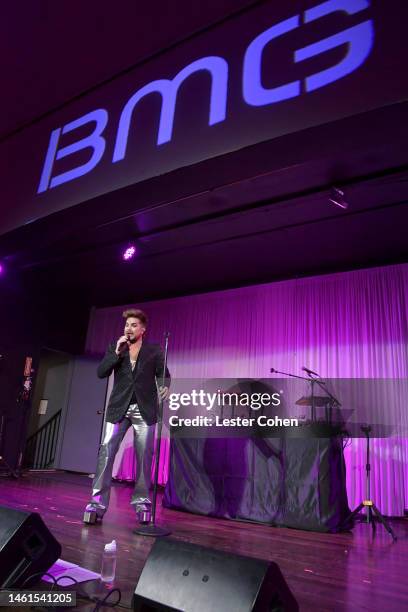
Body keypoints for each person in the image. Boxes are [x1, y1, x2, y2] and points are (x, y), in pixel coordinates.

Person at [84, 308, 170, 523]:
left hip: (144, 409)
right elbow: (101, 372)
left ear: (142, 329)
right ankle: (96, 505)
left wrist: (165, 386)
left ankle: (141, 503)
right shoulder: (116, 347)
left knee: (144, 457)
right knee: (106, 454)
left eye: (133, 325)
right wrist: (116, 353)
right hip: (118, 408)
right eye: (126, 325)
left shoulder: (154, 350)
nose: (128, 328)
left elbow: (164, 375)